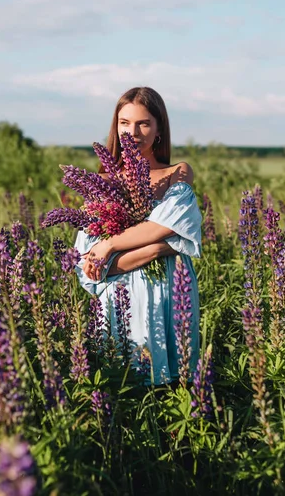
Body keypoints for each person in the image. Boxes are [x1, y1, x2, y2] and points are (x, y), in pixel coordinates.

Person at [74, 86, 201, 384]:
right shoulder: (101, 183)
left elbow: (165, 227)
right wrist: (159, 249)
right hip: (120, 294)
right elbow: (91, 266)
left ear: (158, 129)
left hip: (172, 289)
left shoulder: (177, 173)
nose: (133, 131)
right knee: (124, 380)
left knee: (177, 379)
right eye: (124, 123)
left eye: (144, 123)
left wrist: (110, 245)